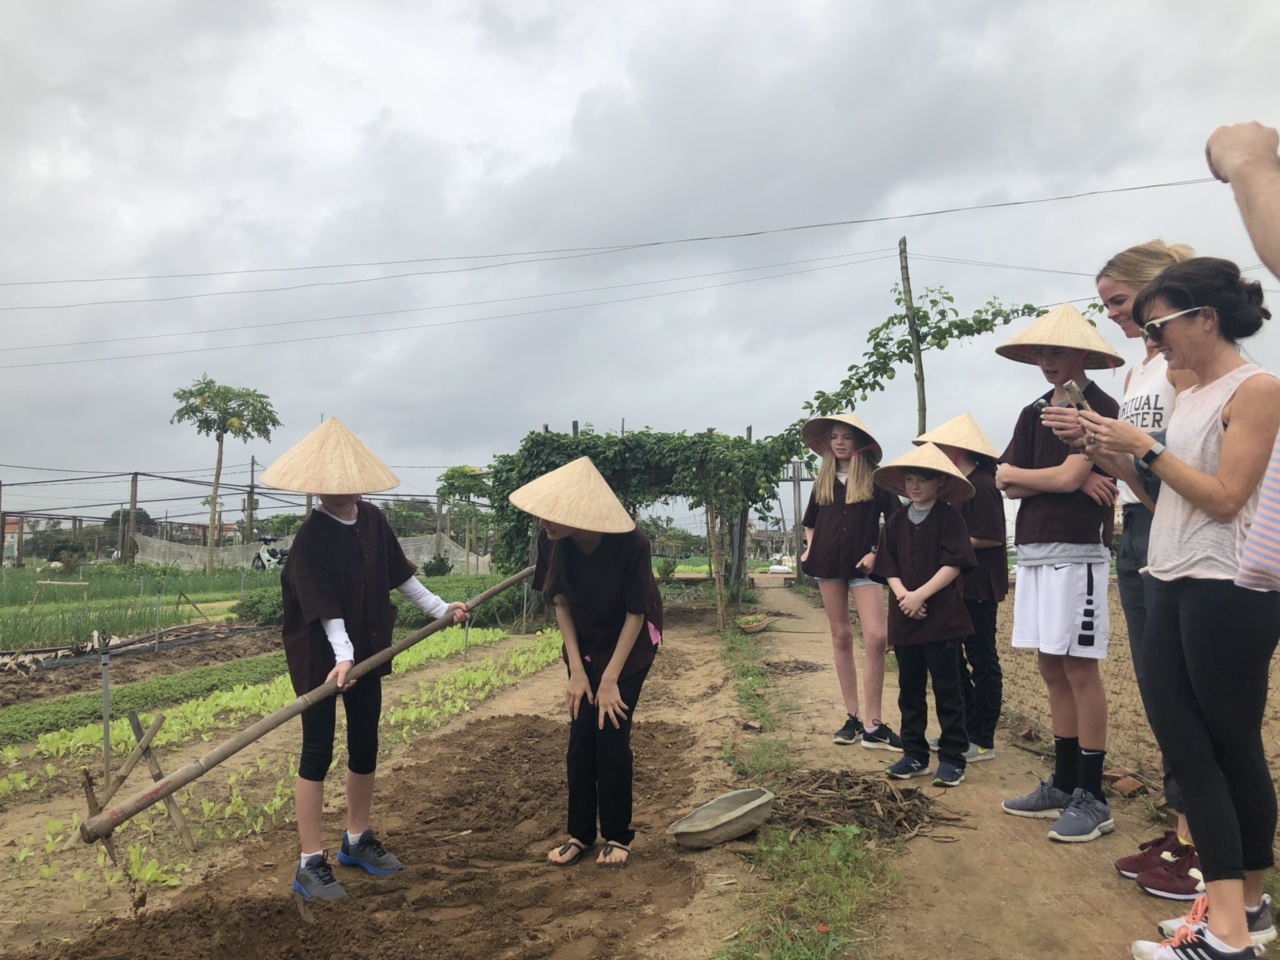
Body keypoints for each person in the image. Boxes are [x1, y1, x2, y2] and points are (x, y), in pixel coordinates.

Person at [1077, 259, 1280, 960]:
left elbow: (1226, 498)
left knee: (1221, 751)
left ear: (1206, 318)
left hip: (1228, 588)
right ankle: (1243, 909)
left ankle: (1228, 932)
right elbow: (1168, 495)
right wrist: (1115, 453)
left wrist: (1147, 448)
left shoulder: (1257, 390)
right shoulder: (1187, 391)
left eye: (1159, 323)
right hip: (1169, 572)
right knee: (1192, 747)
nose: (1149, 336)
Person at [1044, 241, 1200, 896]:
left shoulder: (1188, 367)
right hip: (1141, 533)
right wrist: (1092, 447)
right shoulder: (1140, 373)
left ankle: (1199, 846)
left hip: (1187, 535)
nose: (1111, 314)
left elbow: (1181, 466)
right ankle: (1183, 831)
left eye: (1118, 300)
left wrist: (1119, 450)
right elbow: (1141, 479)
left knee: (1191, 696)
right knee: (1162, 690)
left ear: (1157, 288)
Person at [261, 418, 469, 903]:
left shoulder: (373, 520)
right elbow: (323, 606)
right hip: (321, 658)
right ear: (315, 488)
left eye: (344, 485)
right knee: (317, 750)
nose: (337, 493)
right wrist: (343, 657)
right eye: (327, 488)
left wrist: (440, 608)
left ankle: (356, 839)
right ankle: (310, 861)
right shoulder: (311, 537)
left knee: (365, 742)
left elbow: (399, 575)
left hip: (368, 650)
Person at [993, 303, 1123, 843]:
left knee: (1079, 668)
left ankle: (1094, 795)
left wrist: (1058, 478)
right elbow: (1003, 479)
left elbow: (1071, 477)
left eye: (1056, 351)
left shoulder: (1101, 405)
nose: (1047, 361)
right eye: (1040, 352)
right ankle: (1065, 782)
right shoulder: (1031, 412)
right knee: (1050, 663)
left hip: (1078, 551)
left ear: (1082, 353)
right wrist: (1057, 478)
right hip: (1036, 552)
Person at [509, 456, 663, 869]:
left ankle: (618, 834)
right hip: (586, 643)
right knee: (580, 736)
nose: (545, 522)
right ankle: (580, 834)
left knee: (610, 730)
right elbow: (560, 603)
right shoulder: (553, 541)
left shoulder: (633, 544)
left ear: (582, 513)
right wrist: (578, 671)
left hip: (631, 646)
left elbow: (637, 615)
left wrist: (610, 678)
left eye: (554, 515)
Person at [872, 443, 977, 788]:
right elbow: (887, 565)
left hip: (941, 614)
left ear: (940, 485)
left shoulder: (950, 517)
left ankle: (952, 758)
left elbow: (954, 564)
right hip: (904, 615)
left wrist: (920, 595)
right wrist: (904, 595)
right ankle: (914, 753)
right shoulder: (896, 521)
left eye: (923, 480)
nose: (915, 486)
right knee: (909, 687)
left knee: (948, 687)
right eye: (910, 480)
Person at [800, 413, 903, 750]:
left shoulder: (877, 481)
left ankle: (874, 725)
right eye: (834, 437)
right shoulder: (823, 482)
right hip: (827, 565)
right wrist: (810, 548)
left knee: (876, 637)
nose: (840, 442)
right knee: (841, 636)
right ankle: (853, 717)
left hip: (865, 566)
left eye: (846, 437)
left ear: (859, 442)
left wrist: (877, 552)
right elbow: (811, 523)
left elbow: (896, 522)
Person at [914, 413, 1008, 763]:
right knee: (954, 658)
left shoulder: (982, 484)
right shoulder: (954, 487)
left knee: (982, 658)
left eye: (939, 447)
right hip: (955, 587)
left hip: (978, 585)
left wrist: (942, 545)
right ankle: (964, 729)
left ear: (956, 450)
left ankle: (983, 737)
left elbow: (990, 536)